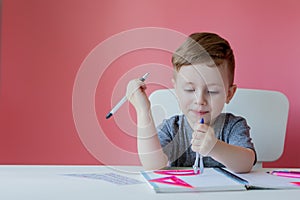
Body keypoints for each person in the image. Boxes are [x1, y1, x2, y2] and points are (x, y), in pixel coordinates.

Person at [126, 32, 256, 173]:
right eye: (189, 89)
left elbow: (245, 164)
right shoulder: (172, 129)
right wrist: (143, 111)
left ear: (229, 94)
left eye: (212, 91)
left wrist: (215, 147)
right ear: (176, 90)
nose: (200, 100)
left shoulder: (233, 126)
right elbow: (153, 165)